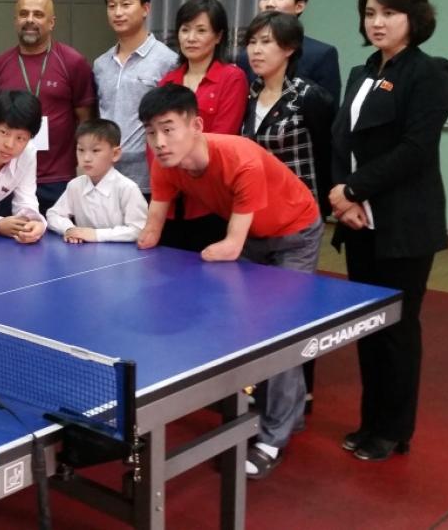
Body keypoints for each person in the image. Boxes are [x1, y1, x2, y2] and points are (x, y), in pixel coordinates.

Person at [136, 84, 322, 480]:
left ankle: (273, 438)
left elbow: (230, 246)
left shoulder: (241, 158)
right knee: (247, 326)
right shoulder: (165, 165)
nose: (160, 142)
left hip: (295, 231)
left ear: (196, 125)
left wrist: (188, 267)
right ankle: (284, 413)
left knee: (279, 331)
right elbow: (151, 234)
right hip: (257, 236)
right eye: (151, 132)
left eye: (168, 129)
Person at [330, 0, 448, 462]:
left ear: (415, 18)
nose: (377, 22)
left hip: (405, 224)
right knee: (368, 326)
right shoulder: (362, 73)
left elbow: (415, 150)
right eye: (370, 13)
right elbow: (342, 137)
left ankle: (393, 429)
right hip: (359, 221)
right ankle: (369, 421)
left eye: (389, 13)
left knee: (398, 329)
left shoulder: (429, 73)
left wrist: (356, 188)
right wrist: (342, 198)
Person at [241, 9, 336, 415]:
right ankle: (263, 399)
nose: (256, 51)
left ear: (290, 48)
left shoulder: (309, 97)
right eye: (253, 42)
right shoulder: (249, 94)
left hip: (297, 223)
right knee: (255, 318)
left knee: (287, 318)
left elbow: (327, 153)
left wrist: (326, 206)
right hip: (256, 222)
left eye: (267, 42)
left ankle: (288, 412)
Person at [0, 0, 96, 212]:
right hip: (9, 175)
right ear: (15, 20)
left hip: (58, 177)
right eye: (24, 14)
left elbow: (85, 120)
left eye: (38, 14)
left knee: (60, 241)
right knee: (10, 240)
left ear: (51, 22)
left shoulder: (73, 62)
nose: (30, 20)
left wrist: (84, 171)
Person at [156, 0, 248, 251]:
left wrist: (180, 166)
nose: (191, 38)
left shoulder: (232, 78)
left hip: (210, 200)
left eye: (201, 30)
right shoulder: (168, 82)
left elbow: (220, 139)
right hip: (171, 199)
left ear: (218, 36)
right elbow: (154, 141)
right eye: (185, 30)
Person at [93, 0, 178, 193]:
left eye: (126, 4)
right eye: (112, 6)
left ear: (145, 8)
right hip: (105, 174)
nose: (118, 12)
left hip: (147, 176)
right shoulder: (101, 64)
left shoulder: (167, 60)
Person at [236, 0, 342, 101]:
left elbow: (329, 113)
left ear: (299, 6)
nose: (270, 4)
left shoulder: (322, 54)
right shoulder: (246, 56)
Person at [47, 119, 148, 243]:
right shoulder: (75, 185)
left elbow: (139, 229)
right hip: (84, 253)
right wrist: (70, 229)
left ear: (115, 154)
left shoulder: (127, 188)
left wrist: (96, 235)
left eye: (95, 151)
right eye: (81, 150)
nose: (86, 158)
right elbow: (53, 214)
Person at [0, 90, 46, 243]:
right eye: (4, 132)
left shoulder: (28, 153)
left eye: (21, 138)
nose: (9, 145)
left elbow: (26, 199)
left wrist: (32, 223)